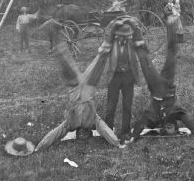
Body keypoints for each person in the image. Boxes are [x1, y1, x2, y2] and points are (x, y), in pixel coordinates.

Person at [35, 20, 128, 151]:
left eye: (80, 137)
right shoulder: (94, 121)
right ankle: (112, 30)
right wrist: (117, 143)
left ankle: (53, 30)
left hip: (74, 88)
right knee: (101, 58)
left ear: (76, 135)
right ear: (90, 132)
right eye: (85, 136)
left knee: (64, 60)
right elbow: (106, 131)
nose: (82, 135)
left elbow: (55, 134)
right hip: (89, 88)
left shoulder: (70, 125)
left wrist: (39, 147)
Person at [127, 17, 194, 144]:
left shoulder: (153, 117)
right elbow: (189, 121)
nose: (169, 127)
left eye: (167, 129)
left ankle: (136, 28)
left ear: (163, 128)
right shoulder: (177, 112)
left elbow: (141, 122)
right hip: (168, 84)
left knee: (144, 59)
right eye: (172, 129)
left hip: (155, 87)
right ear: (176, 126)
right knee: (172, 54)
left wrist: (132, 138)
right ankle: (171, 24)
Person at [104, 18, 140, 144]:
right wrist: (114, 26)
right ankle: (108, 132)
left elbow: (139, 33)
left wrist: (131, 22)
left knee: (127, 106)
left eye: (126, 36)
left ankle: (125, 132)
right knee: (110, 107)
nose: (124, 38)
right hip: (114, 77)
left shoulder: (132, 43)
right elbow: (102, 48)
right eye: (121, 36)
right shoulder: (110, 43)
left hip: (128, 77)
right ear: (117, 35)